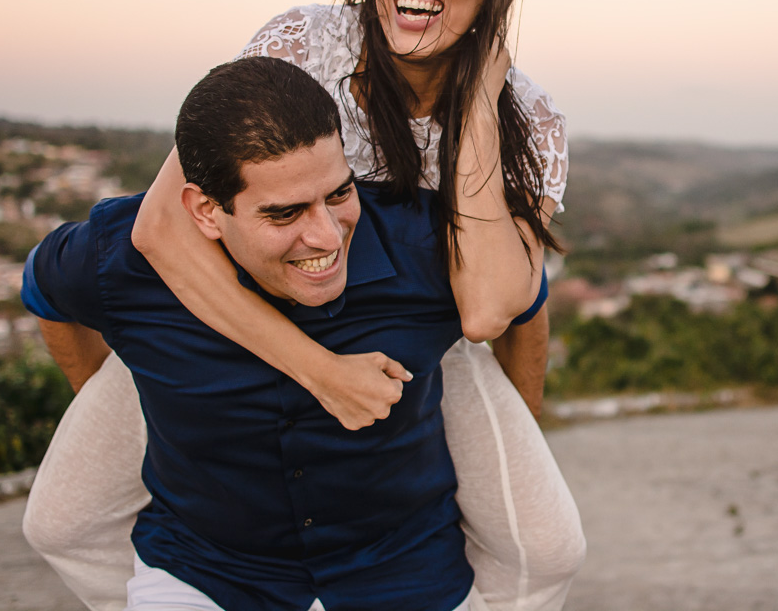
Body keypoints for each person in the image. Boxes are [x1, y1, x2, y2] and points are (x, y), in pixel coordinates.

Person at [23, 0, 585, 611]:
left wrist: (479, 101)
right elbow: (163, 225)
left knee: (547, 543)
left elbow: (492, 309)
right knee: (56, 520)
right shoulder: (308, 45)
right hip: (225, 304)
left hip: (416, 330)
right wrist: (314, 371)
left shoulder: (527, 116)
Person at [23, 57, 480, 610]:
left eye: (339, 194)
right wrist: (101, 389)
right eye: (285, 214)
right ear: (205, 211)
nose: (327, 235)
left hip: (402, 570)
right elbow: (44, 289)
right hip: (206, 571)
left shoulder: (422, 243)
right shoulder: (117, 260)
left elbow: (523, 298)